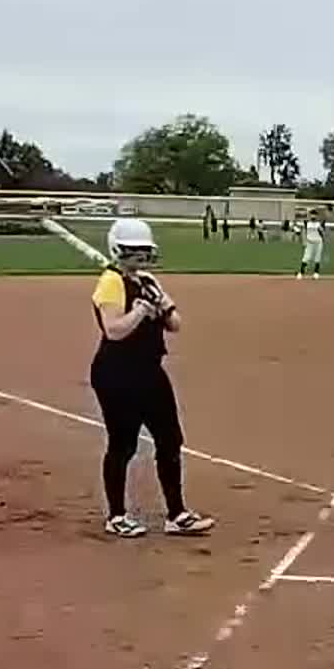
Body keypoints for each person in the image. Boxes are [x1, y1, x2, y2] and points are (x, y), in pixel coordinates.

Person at [88, 218, 214, 538]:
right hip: (116, 373)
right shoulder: (111, 282)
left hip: (149, 371)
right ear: (119, 251)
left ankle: (177, 513)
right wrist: (140, 310)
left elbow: (176, 325)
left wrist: (165, 306)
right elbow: (114, 330)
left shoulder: (147, 280)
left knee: (170, 440)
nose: (140, 258)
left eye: (144, 252)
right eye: (134, 252)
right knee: (123, 444)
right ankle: (116, 515)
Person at [298, 211, 326, 279]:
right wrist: (304, 241)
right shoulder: (307, 223)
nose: (313, 216)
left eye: (315, 215)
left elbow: (322, 233)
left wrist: (323, 238)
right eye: (312, 215)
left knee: (317, 258)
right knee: (306, 257)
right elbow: (304, 231)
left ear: (317, 216)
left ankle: (316, 273)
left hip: (318, 242)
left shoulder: (319, 224)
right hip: (309, 242)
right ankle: (301, 273)